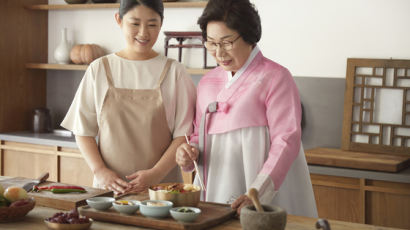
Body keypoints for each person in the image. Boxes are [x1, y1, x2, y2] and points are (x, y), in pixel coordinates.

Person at [176, 0, 318, 217]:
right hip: (217, 184)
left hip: (265, 188)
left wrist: (258, 191)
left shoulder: (276, 77)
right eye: (211, 43)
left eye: (226, 42)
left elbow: (287, 139)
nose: (219, 52)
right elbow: (197, 136)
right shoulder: (207, 83)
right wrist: (189, 153)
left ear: (249, 36)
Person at [61, 0, 196, 195]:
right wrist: (100, 170)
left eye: (152, 24)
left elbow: (183, 135)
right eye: (135, 23)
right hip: (109, 189)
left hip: (162, 190)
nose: (143, 33)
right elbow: (83, 130)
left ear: (161, 23)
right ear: (119, 19)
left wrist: (155, 174)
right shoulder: (99, 69)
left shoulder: (175, 72)